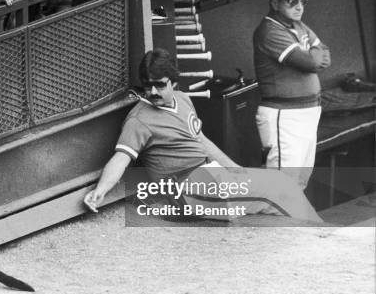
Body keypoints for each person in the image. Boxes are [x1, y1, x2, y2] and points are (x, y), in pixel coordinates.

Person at [83, 49, 323, 223]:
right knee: (279, 194)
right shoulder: (140, 119)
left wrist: (235, 169)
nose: (153, 91)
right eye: (147, 86)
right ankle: (322, 239)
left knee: (283, 186)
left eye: (160, 85)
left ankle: (319, 237)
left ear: (174, 82)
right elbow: (120, 158)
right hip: (187, 189)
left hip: (210, 174)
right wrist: (100, 190)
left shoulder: (184, 100)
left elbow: (202, 141)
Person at [253, 0, 330, 189]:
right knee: (282, 187)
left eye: (302, 1)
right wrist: (314, 53)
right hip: (284, 116)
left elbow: (327, 53)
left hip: (308, 113)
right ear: (275, 3)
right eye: (291, 1)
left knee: (299, 184)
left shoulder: (298, 25)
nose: (298, 6)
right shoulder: (269, 30)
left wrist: (314, 54)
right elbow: (311, 62)